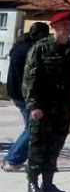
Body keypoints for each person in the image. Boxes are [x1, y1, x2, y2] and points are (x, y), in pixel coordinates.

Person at [22, 12, 70, 192]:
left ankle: (48, 183)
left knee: (54, 147)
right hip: (43, 108)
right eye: (64, 24)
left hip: (63, 109)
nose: (68, 27)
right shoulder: (40, 49)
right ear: (54, 27)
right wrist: (33, 105)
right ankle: (33, 183)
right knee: (37, 147)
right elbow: (30, 79)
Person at [2, 22, 49, 173]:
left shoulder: (21, 46)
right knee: (32, 129)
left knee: (29, 128)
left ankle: (10, 159)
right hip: (24, 95)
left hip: (15, 93)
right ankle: (12, 160)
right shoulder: (31, 50)